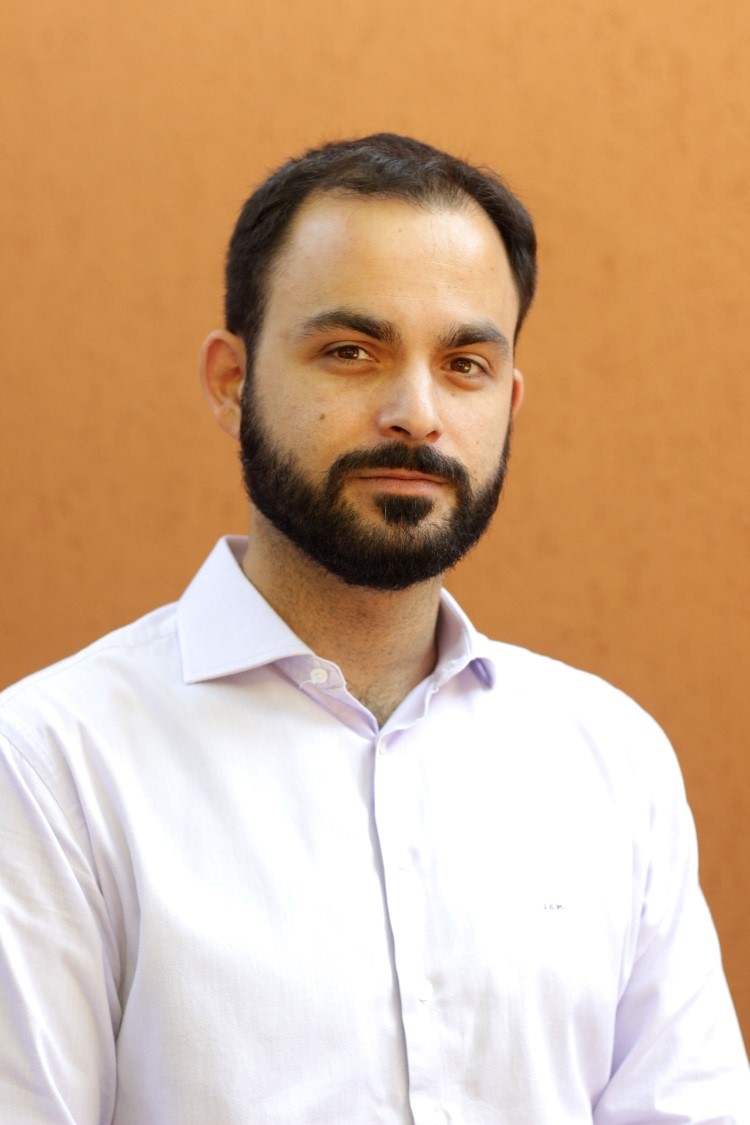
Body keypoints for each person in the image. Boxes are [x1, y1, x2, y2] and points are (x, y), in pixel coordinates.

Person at [0, 134, 747, 1124]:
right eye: (351, 352)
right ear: (231, 381)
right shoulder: (55, 764)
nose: (416, 412)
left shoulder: (610, 759)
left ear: (508, 403)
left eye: (465, 364)